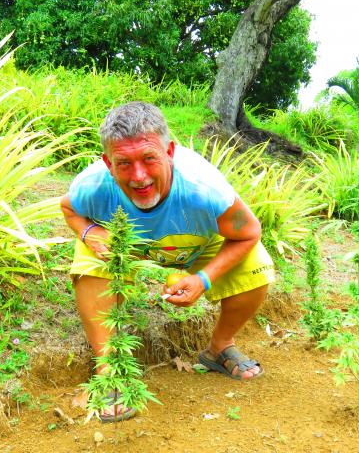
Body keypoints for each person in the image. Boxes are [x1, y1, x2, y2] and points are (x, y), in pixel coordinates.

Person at [60, 101, 275, 420]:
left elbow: (249, 232)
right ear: (108, 163)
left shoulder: (204, 188)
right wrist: (90, 231)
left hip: (198, 245)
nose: (139, 176)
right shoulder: (92, 185)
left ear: (170, 151)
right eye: (124, 163)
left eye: (149, 158)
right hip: (128, 247)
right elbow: (68, 208)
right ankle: (109, 372)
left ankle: (220, 347)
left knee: (255, 263)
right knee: (88, 257)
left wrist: (203, 279)